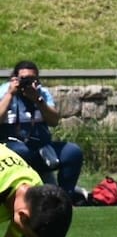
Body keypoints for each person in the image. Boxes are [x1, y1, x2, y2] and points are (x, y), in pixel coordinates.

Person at [0, 61, 86, 205]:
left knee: (72, 152)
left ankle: (65, 199)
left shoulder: (42, 93)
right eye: (23, 79)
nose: (27, 83)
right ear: (14, 78)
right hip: (11, 147)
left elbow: (54, 121)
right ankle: (23, 198)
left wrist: (38, 100)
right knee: (22, 151)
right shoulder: (3, 91)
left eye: (32, 79)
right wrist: (10, 95)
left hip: (40, 146)